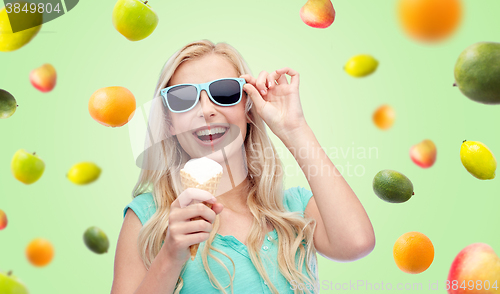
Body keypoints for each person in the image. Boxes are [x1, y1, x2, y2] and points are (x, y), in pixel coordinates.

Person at [111, 39, 375, 294]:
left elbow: (357, 243)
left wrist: (295, 129)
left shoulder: (293, 208)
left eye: (224, 92)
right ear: (170, 123)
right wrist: (170, 256)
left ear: (248, 108)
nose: (206, 110)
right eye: (182, 98)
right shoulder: (149, 217)